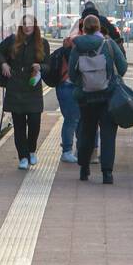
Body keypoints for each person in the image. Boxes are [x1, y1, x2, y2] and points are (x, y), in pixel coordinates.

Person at [70, 14, 128, 184]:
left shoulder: (77, 47)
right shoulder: (109, 44)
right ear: (99, 28)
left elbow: (73, 75)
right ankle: (107, 173)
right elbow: (123, 68)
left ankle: (84, 168)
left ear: (84, 29)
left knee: (86, 132)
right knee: (108, 134)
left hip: (86, 99)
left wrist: (84, 82)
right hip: (108, 97)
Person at [0, 12, 50, 170]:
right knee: (18, 126)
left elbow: (48, 65)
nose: (27, 27)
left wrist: (41, 67)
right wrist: (4, 64)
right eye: (25, 24)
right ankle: (22, 157)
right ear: (21, 26)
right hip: (15, 88)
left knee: (34, 123)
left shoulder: (43, 43)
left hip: (33, 89)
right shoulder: (12, 41)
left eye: (30, 24)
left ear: (35, 26)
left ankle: (32, 150)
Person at [53, 26, 81, 164]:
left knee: (73, 119)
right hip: (71, 85)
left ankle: (70, 150)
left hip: (65, 86)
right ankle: (68, 151)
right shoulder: (76, 45)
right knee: (73, 119)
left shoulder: (69, 43)